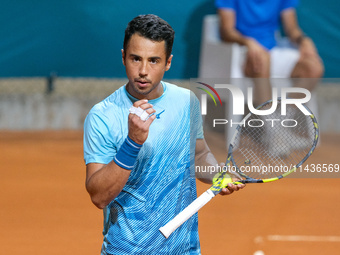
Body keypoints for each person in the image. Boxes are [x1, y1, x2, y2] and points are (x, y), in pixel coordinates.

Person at [83, 14, 245, 255]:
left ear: (168, 62)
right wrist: (133, 142)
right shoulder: (102, 116)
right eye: (135, 59)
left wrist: (216, 174)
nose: (143, 71)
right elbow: (99, 196)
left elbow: (199, 155)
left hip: (183, 248)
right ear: (123, 57)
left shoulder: (186, 102)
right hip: (127, 249)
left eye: (154, 61)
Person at [215, 0, 324, 106]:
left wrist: (303, 40)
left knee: (314, 68)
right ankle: (268, 120)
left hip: (273, 50)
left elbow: (292, 29)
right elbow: (226, 31)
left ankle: (286, 117)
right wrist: (248, 42)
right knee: (262, 59)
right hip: (240, 52)